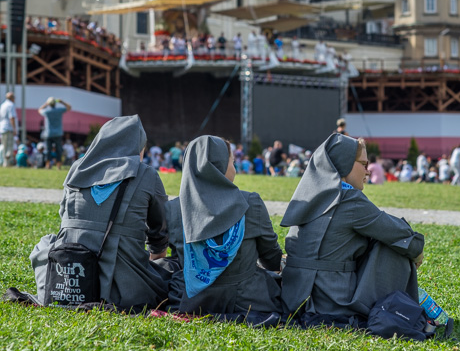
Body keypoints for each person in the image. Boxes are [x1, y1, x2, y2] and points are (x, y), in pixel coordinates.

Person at [29, 115, 169, 309]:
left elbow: (64, 217)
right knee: (169, 271)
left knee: (45, 242)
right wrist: (156, 257)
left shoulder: (78, 168)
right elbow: (159, 229)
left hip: (69, 278)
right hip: (124, 285)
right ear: (138, 146)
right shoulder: (146, 174)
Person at [281, 133, 424, 320]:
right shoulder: (350, 200)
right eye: (363, 164)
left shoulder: (309, 195)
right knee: (398, 244)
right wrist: (416, 250)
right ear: (344, 163)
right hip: (332, 301)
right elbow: (399, 233)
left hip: (293, 298)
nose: (368, 171)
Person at [166, 135, 283, 315]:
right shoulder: (251, 202)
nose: (234, 168)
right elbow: (270, 256)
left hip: (193, 300)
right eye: (232, 162)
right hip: (250, 302)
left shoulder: (174, 209)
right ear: (218, 167)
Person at [38, 97, 71, 169]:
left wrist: (46, 104)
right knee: (58, 150)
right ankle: (58, 165)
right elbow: (69, 107)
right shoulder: (59, 110)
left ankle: (47, 164)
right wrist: (62, 101)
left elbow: (39, 110)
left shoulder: (47, 111)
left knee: (48, 150)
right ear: (55, 104)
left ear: (49, 104)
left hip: (48, 133)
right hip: (58, 133)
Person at [0, 92, 17, 167]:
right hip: (8, 128)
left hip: (2, 128)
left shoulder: (3, 105)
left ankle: (4, 162)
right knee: (10, 146)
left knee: (4, 146)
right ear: (12, 98)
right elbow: (11, 117)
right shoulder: (11, 105)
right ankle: (8, 163)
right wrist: (14, 128)